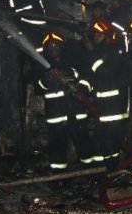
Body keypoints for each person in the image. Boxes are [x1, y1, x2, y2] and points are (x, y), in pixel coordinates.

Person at [37, 31, 96, 170]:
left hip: (75, 110)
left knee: (82, 141)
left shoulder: (74, 59)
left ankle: (90, 172)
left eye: (55, 45)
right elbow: (37, 85)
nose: (53, 48)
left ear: (61, 45)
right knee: (57, 145)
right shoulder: (41, 65)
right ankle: (59, 175)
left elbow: (87, 79)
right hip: (55, 114)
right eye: (50, 46)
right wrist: (47, 79)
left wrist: (69, 75)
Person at [83, 19, 130, 168]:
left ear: (107, 36)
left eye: (99, 34)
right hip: (102, 105)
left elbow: (104, 73)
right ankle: (101, 171)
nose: (96, 37)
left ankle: (113, 170)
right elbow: (91, 76)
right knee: (101, 139)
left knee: (110, 140)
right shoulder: (99, 51)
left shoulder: (112, 51)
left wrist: (91, 52)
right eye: (95, 34)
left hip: (113, 106)